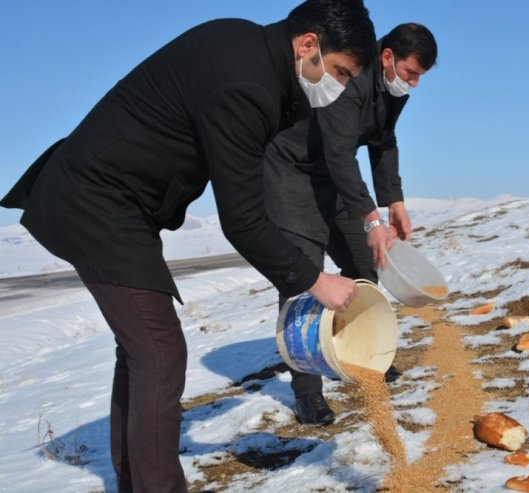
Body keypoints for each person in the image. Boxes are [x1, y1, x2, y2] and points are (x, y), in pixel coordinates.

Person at [1, 1, 376, 491]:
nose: (341, 87)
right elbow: (241, 220)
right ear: (309, 45)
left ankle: (136, 478)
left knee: (142, 351)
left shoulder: (247, 48)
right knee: (159, 352)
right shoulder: (248, 84)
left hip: (114, 203)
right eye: (342, 72)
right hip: (98, 203)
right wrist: (313, 279)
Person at [264, 23, 437, 426]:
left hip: (334, 179)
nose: (413, 83)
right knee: (303, 280)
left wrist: (393, 199)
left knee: (365, 262)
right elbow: (342, 155)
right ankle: (308, 394)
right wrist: (371, 216)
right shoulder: (353, 79)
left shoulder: (393, 90)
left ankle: (361, 355)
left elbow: (383, 141)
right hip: (292, 176)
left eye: (420, 77)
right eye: (410, 73)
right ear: (387, 56)